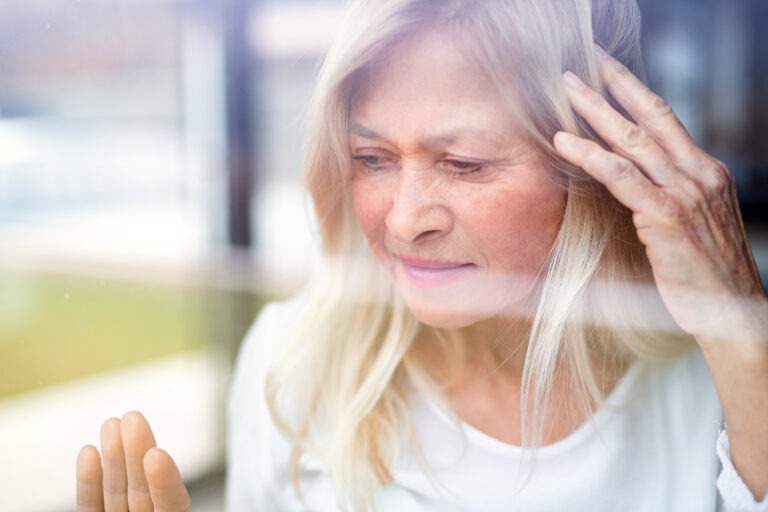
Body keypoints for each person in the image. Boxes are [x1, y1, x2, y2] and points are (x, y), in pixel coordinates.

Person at [76, 0, 768, 510]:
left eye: (464, 164)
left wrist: (743, 338)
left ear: (592, 172)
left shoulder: (713, 376)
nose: (405, 221)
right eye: (371, 158)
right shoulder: (291, 365)